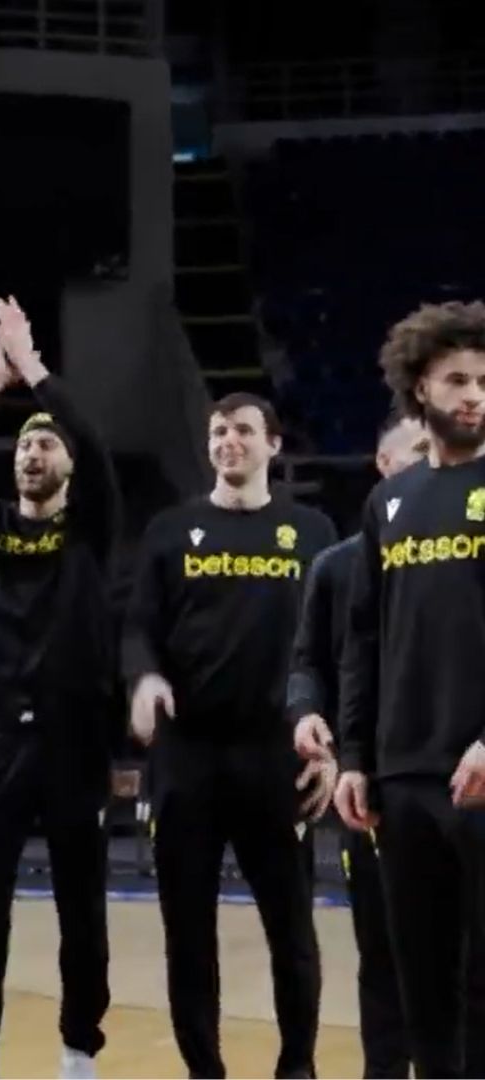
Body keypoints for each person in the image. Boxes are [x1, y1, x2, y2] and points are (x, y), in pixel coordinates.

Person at [0, 298, 117, 1080]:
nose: (32, 452)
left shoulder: (91, 527)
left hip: (76, 742)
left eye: (46, 443)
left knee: (83, 905)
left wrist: (35, 370)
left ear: (69, 462)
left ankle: (78, 1051)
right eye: (24, 444)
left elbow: (95, 445)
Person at [123, 392, 334, 1080]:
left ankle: (297, 1066)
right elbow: (137, 626)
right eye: (218, 431)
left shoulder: (311, 531)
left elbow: (336, 645)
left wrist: (331, 742)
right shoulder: (170, 530)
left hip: (277, 755)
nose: (228, 441)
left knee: (291, 928)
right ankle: (204, 1070)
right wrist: (145, 678)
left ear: (273, 444)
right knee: (188, 932)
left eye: (243, 430)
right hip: (188, 755)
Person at [285, 408, 485, 1078]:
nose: (432, 460)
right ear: (384, 465)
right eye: (416, 448)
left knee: (468, 965)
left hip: (457, 769)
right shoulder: (338, 566)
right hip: (379, 783)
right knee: (388, 957)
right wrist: (313, 720)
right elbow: (314, 662)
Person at [337, 301, 485, 1078]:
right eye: (457, 379)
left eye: (484, 381)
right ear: (420, 388)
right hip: (402, 777)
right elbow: (363, 640)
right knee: (420, 986)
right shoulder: (388, 503)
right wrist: (354, 757)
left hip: (482, 771)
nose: (475, 395)